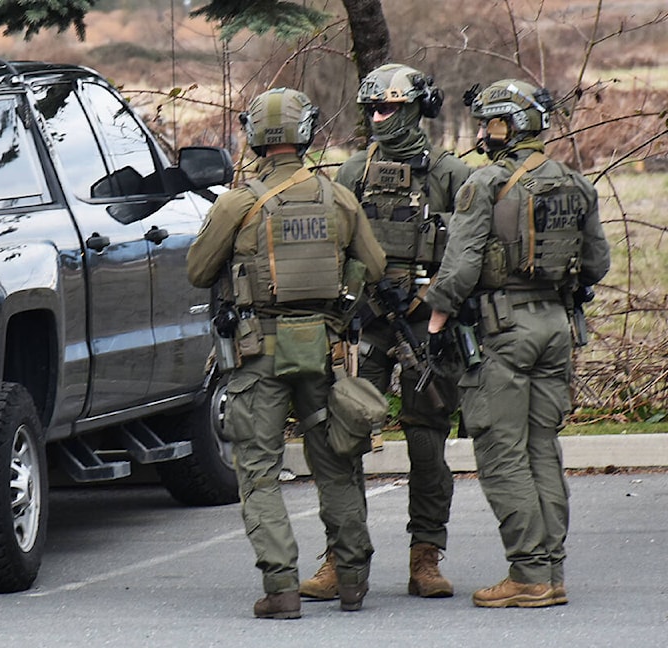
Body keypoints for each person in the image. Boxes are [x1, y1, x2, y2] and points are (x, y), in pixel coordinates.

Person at [187, 87, 386, 618]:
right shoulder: (338, 198)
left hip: (258, 357)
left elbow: (198, 271)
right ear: (306, 134)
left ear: (255, 136)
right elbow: (375, 265)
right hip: (323, 354)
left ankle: (282, 589)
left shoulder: (237, 203)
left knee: (258, 470)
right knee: (336, 466)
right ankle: (352, 582)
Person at [424, 79, 610, 607]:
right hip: (557, 328)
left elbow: (460, 270)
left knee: (501, 452)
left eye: (489, 122)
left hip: (503, 332)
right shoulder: (576, 184)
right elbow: (596, 264)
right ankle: (551, 570)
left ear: (508, 125)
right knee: (542, 449)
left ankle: (528, 574)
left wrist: (435, 324)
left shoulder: (485, 184)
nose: (484, 132)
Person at [300, 64, 471, 602]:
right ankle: (343, 558)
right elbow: (331, 246)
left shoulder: (450, 173)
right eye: (372, 108)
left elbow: (471, 251)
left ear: (415, 108)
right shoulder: (353, 172)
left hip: (428, 326)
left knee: (426, 441)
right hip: (367, 323)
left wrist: (437, 304)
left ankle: (426, 555)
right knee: (345, 438)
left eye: (389, 108)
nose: (378, 117)